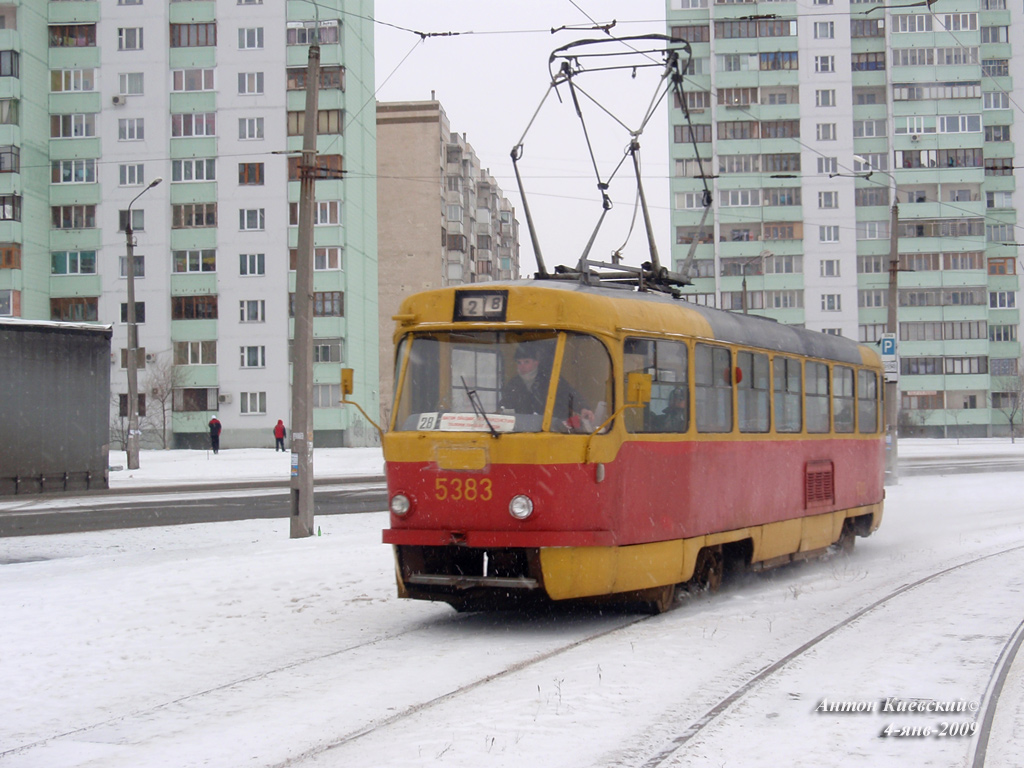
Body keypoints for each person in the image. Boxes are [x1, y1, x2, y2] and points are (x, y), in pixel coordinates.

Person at [500, 344, 594, 430]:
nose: (522, 366)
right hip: (522, 431)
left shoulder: (551, 380)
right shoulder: (513, 384)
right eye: (519, 362)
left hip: (553, 430)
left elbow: (570, 394)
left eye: (526, 362)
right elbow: (505, 404)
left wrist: (583, 407)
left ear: (536, 363)